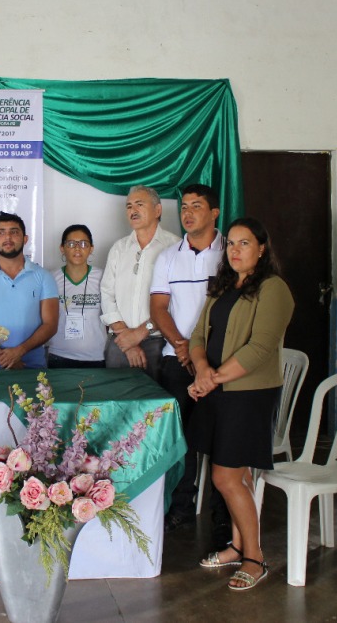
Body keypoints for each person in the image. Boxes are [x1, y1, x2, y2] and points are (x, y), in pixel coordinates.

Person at [187, 217, 294, 591]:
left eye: (244, 243)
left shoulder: (273, 288)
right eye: (230, 243)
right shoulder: (223, 286)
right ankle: (237, 545)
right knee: (239, 476)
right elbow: (199, 334)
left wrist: (210, 379)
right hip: (217, 392)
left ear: (262, 248)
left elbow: (261, 347)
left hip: (247, 394)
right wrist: (202, 370)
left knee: (225, 477)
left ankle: (255, 558)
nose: (234, 250)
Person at [149, 184, 227, 533]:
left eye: (197, 206)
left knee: (222, 438)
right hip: (175, 360)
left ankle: (222, 512)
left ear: (214, 213)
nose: (188, 212)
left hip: (221, 364)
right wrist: (182, 345)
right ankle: (180, 505)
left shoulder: (231, 253)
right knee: (179, 440)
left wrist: (204, 355)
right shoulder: (168, 256)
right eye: (184, 207)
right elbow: (159, 307)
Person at [100, 185, 181, 379]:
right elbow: (107, 293)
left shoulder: (175, 247)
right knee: (117, 404)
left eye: (139, 204)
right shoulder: (119, 248)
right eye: (128, 206)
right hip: (119, 342)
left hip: (159, 342)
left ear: (158, 210)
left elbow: (178, 301)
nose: (132, 210)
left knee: (155, 407)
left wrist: (141, 333)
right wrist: (127, 339)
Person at [0, 211, 58, 369]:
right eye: (2, 233)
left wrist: (19, 351)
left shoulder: (43, 277)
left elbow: (50, 324)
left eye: (14, 232)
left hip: (32, 363)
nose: (8, 238)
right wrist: (4, 358)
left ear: (25, 239)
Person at [47, 225, 105, 369]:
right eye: (71, 244)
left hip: (96, 356)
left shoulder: (103, 277)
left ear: (91, 248)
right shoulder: (51, 279)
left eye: (84, 244)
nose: (77, 248)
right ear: (62, 248)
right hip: (59, 356)